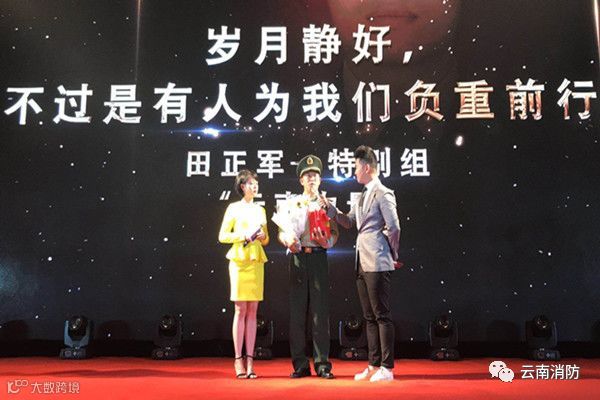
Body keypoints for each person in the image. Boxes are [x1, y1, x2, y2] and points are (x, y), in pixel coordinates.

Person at [320, 145, 401, 382]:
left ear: (366, 167)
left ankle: (387, 367)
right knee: (369, 316)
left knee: (382, 315)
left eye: (356, 167)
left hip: (377, 259)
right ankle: (374, 365)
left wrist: (392, 254)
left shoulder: (383, 193)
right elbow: (349, 222)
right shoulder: (363, 195)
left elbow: (394, 227)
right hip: (361, 261)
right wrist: (331, 210)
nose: (354, 172)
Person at [276, 155, 339, 379]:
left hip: (319, 257)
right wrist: (287, 241)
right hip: (298, 257)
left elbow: (334, 233)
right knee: (297, 313)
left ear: (320, 180)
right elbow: (281, 231)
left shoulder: (327, 204)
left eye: (315, 176)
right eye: (307, 176)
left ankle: (322, 364)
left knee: (320, 313)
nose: (311, 179)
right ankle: (300, 364)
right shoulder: (291, 203)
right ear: (301, 180)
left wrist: (327, 242)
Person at [218, 170, 269, 379]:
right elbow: (222, 236)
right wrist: (243, 235)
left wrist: (262, 236)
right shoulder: (233, 208)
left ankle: (250, 360)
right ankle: (238, 358)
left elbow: (266, 239)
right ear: (242, 186)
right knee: (240, 309)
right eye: (250, 183)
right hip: (239, 261)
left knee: (253, 310)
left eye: (256, 183)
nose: (254, 187)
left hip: (256, 260)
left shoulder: (260, 209)